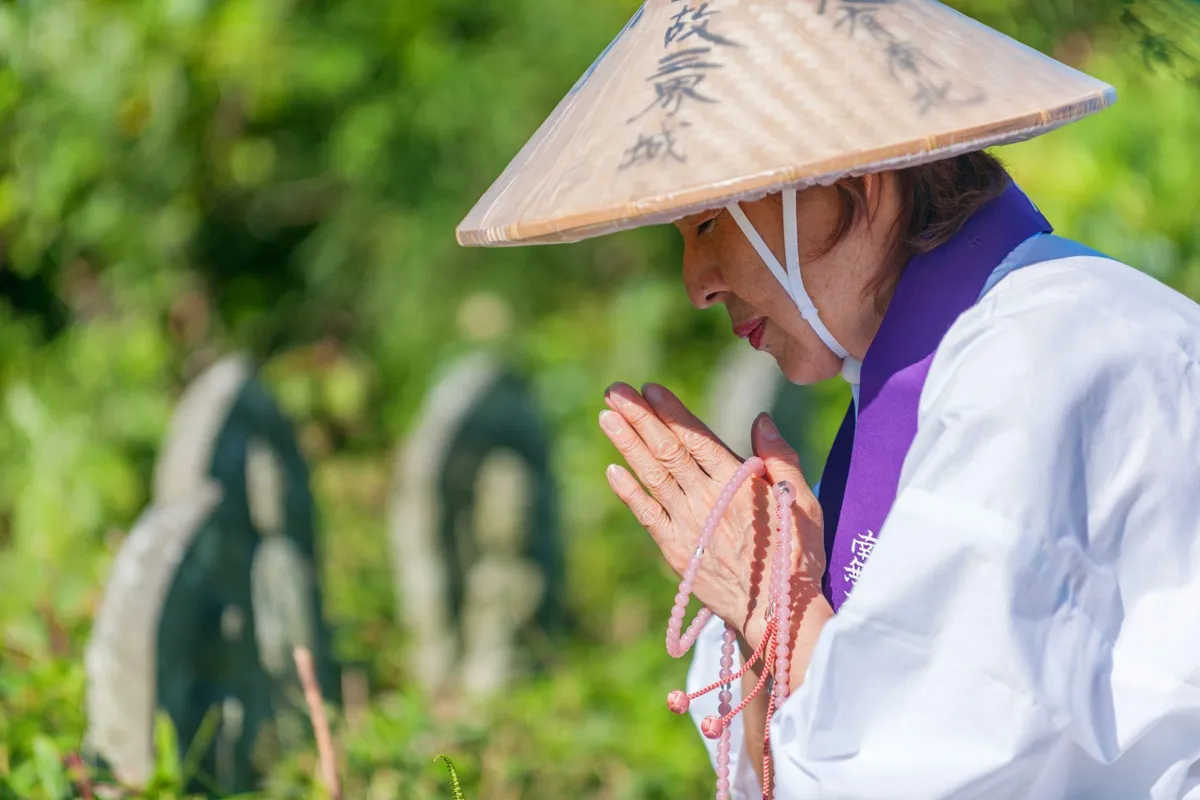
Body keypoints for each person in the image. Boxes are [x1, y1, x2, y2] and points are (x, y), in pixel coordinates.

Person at [457, 2, 1200, 797]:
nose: (696, 284)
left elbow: (926, 770)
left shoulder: (1039, 364)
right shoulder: (977, 354)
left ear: (853, 180)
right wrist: (770, 606)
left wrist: (773, 599)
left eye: (710, 222)